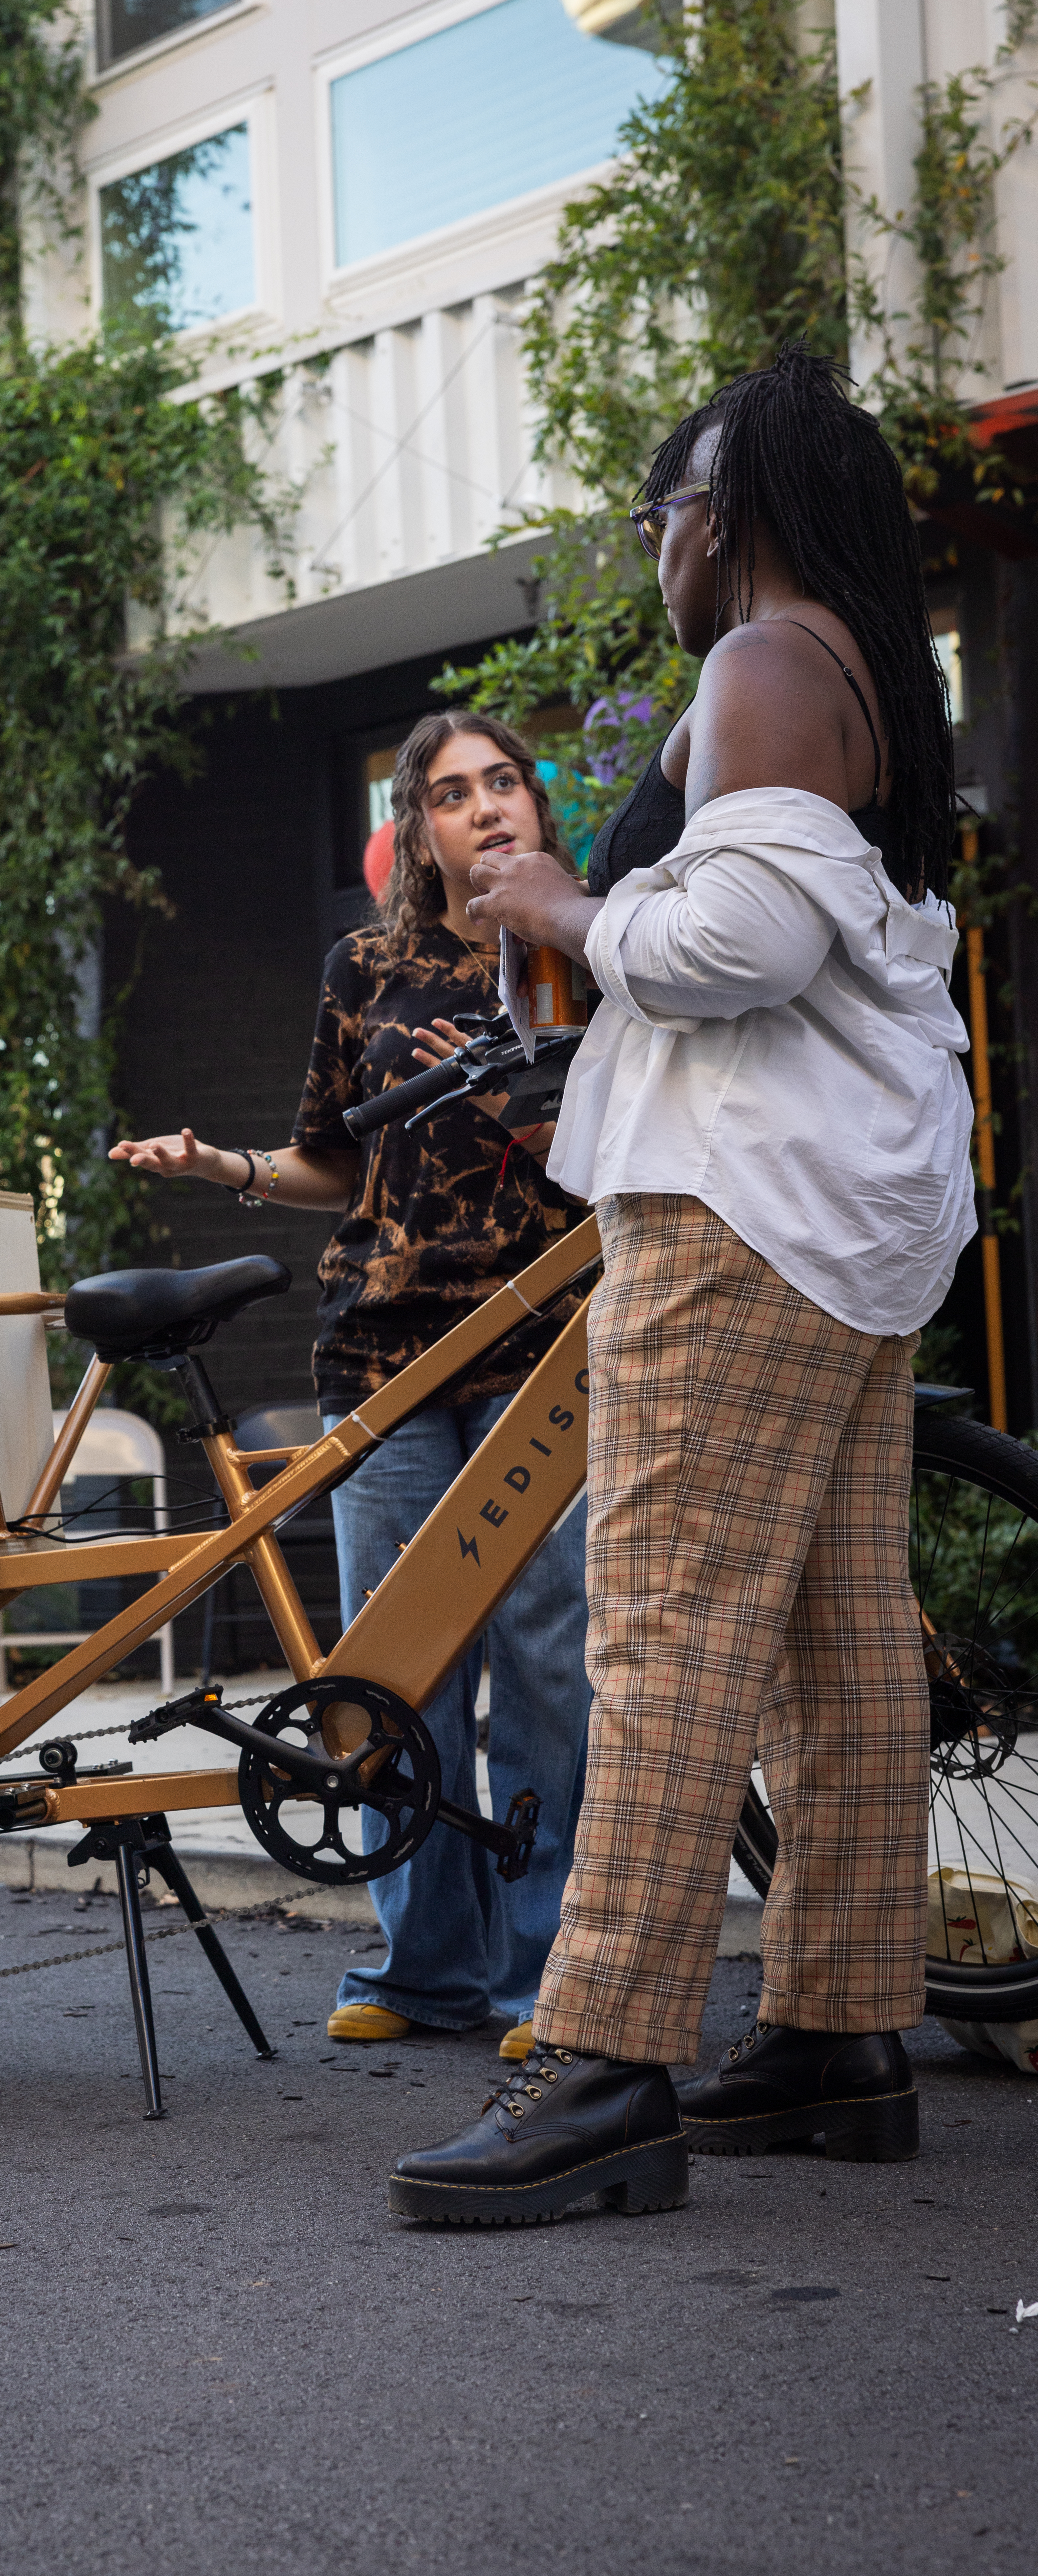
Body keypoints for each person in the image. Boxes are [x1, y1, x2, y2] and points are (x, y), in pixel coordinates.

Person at [388, 343, 975, 2228]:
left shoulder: (763, 660)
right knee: (831, 1632)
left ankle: (605, 2065)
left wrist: (562, 907)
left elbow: (730, 938)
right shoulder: (860, 669)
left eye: (660, 522)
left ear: (715, 516)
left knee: (660, 1622)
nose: (657, 559)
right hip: (857, 1210)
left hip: (741, 1211)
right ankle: (835, 2031)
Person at [110, 713, 594, 2057]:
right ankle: (422, 1964)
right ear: (417, 830)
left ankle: (543, 1972)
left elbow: (624, 1142)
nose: (488, 809)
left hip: (537, 1344)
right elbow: (335, 1162)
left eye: (505, 783)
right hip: (382, 1350)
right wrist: (228, 1171)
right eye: (453, 794)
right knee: (396, 1670)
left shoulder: (582, 944)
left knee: (544, 1661)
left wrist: (534, 1116)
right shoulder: (366, 966)